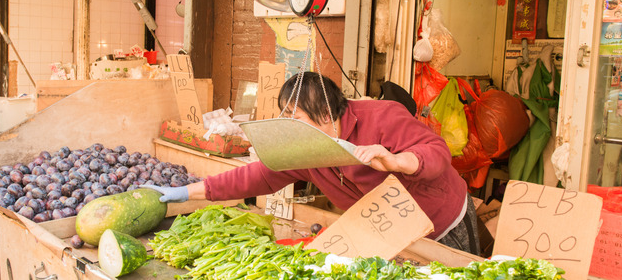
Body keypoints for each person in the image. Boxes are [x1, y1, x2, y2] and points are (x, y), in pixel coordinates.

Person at [143, 72, 479, 255]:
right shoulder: (307, 146)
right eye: (286, 116)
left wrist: (396, 161)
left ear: (327, 113)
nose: (290, 124)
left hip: (442, 220)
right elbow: (260, 175)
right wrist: (185, 193)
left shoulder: (382, 116)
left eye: (297, 116)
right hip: (390, 230)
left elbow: (436, 152)